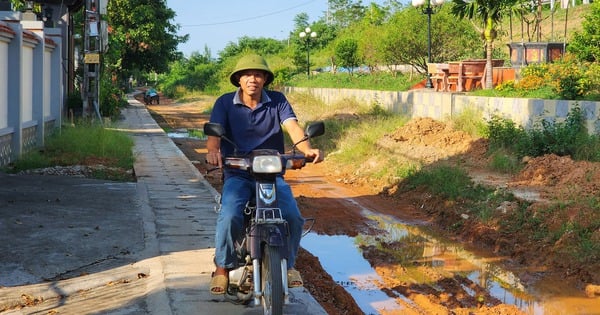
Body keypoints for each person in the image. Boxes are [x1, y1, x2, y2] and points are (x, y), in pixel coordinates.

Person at [205, 54, 323, 295]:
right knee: (229, 214)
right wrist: (213, 152)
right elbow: (214, 137)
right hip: (238, 173)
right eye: (247, 74)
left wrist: (307, 149)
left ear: (265, 79)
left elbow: (292, 127)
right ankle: (222, 268)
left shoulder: (277, 101)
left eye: (258, 74)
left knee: (291, 216)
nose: (253, 79)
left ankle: (288, 265)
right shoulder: (224, 103)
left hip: (271, 175)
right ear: (238, 79)